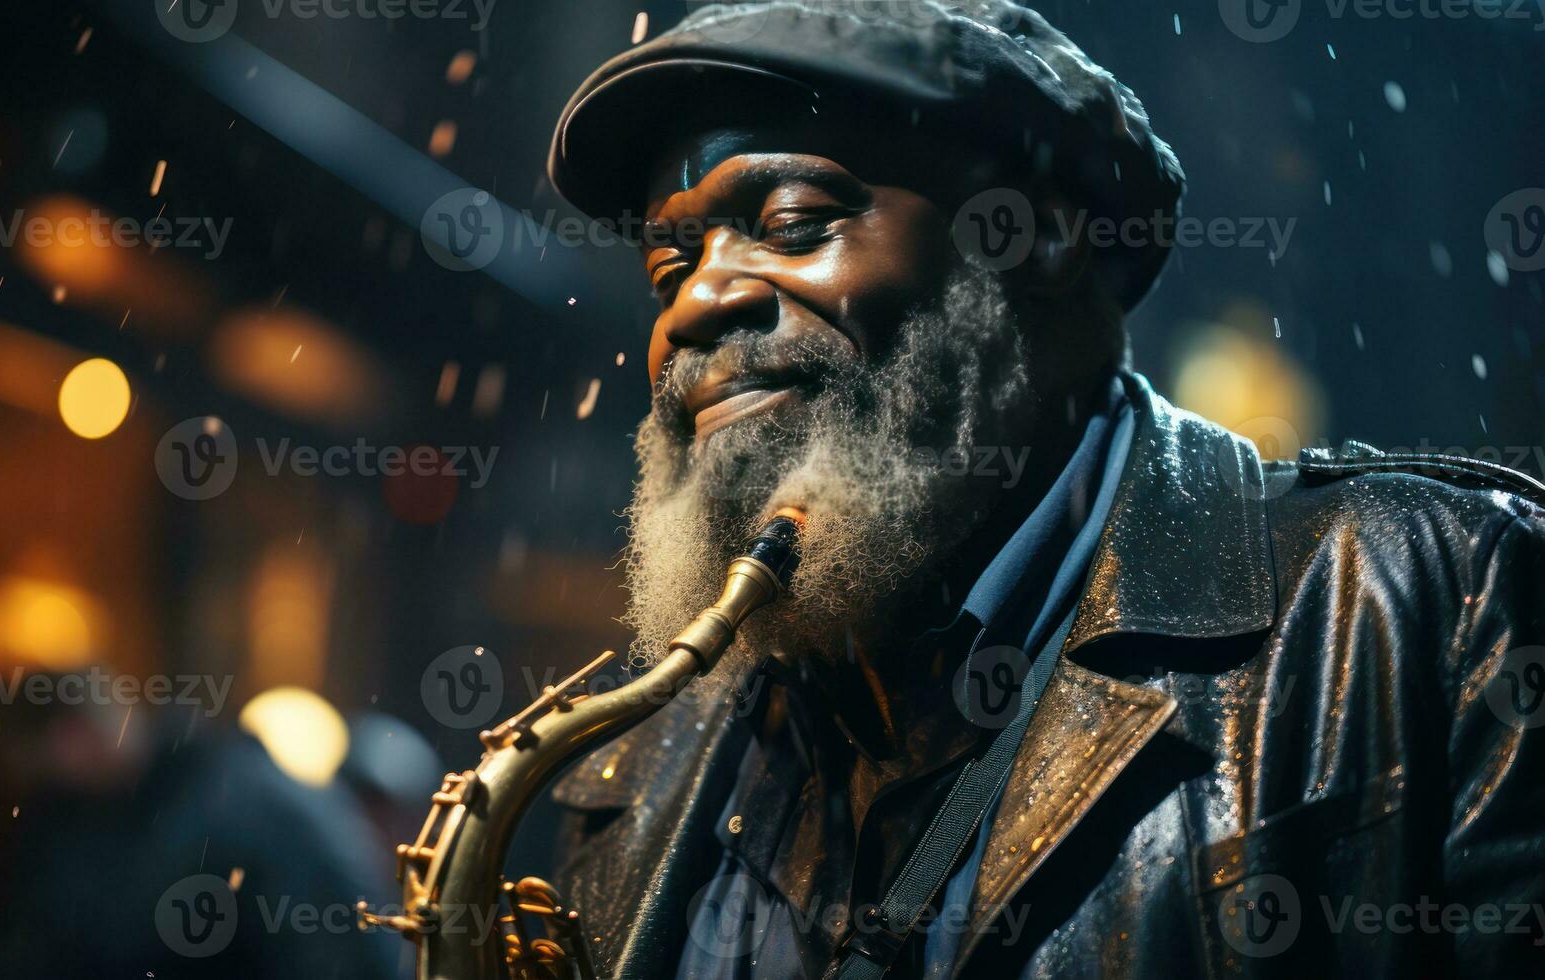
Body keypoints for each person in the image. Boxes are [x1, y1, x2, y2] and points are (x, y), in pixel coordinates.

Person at [541, 2, 1545, 977]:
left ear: (1042, 238)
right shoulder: (631, 769)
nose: (700, 300)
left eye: (795, 223)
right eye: (668, 264)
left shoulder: (1431, 607)